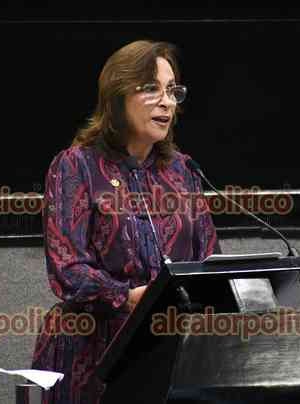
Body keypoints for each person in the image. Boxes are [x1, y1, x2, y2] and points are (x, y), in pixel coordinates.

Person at [31, 39, 219, 404]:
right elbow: (68, 269)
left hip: (169, 350)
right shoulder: (76, 166)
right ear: (118, 96)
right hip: (92, 352)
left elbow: (208, 259)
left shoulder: (182, 170)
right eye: (151, 89)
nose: (166, 102)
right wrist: (127, 297)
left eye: (172, 91)